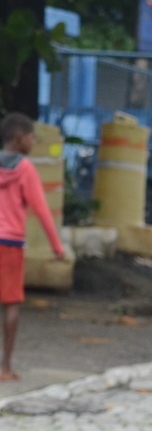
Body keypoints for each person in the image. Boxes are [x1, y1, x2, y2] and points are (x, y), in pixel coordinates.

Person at [0, 113, 66, 382]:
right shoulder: (25, 169)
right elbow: (42, 209)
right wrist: (57, 247)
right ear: (19, 138)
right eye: (31, 137)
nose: (34, 141)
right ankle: (5, 367)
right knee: (11, 303)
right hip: (11, 244)